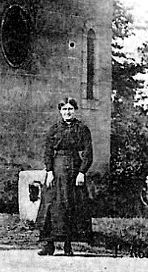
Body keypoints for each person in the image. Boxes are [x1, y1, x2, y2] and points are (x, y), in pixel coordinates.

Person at [36, 97, 93, 256]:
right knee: (52, 205)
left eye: (70, 109)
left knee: (71, 205)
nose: (67, 112)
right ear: (60, 111)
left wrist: (82, 172)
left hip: (74, 169)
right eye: (64, 109)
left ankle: (68, 245)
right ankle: (49, 244)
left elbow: (88, 153)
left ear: (74, 110)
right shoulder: (54, 129)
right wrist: (49, 171)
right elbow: (48, 151)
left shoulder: (82, 129)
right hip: (57, 169)